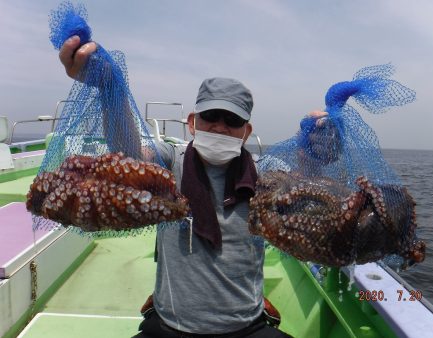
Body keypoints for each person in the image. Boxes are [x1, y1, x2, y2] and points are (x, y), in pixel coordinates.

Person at [59, 36, 332, 338]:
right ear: (192, 122)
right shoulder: (169, 163)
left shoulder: (263, 173)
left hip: (246, 327)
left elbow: (301, 189)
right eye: (210, 116)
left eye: (232, 119)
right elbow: (130, 153)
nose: (219, 126)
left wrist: (314, 152)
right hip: (171, 327)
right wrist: (109, 90)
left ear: (246, 132)